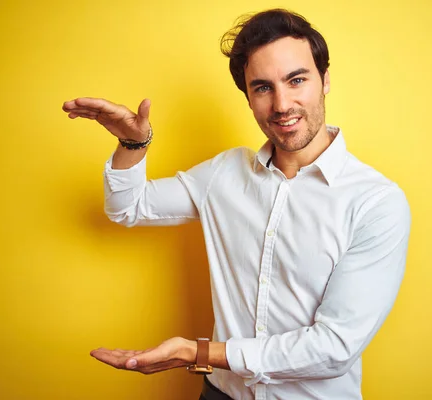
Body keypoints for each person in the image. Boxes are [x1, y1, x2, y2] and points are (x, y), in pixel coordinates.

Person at [62, 8, 411, 400]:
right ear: (248, 97)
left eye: (297, 80)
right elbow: (128, 207)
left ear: (325, 80)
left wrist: (197, 353)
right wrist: (132, 144)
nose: (282, 104)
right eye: (262, 87)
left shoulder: (375, 203)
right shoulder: (224, 175)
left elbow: (334, 348)